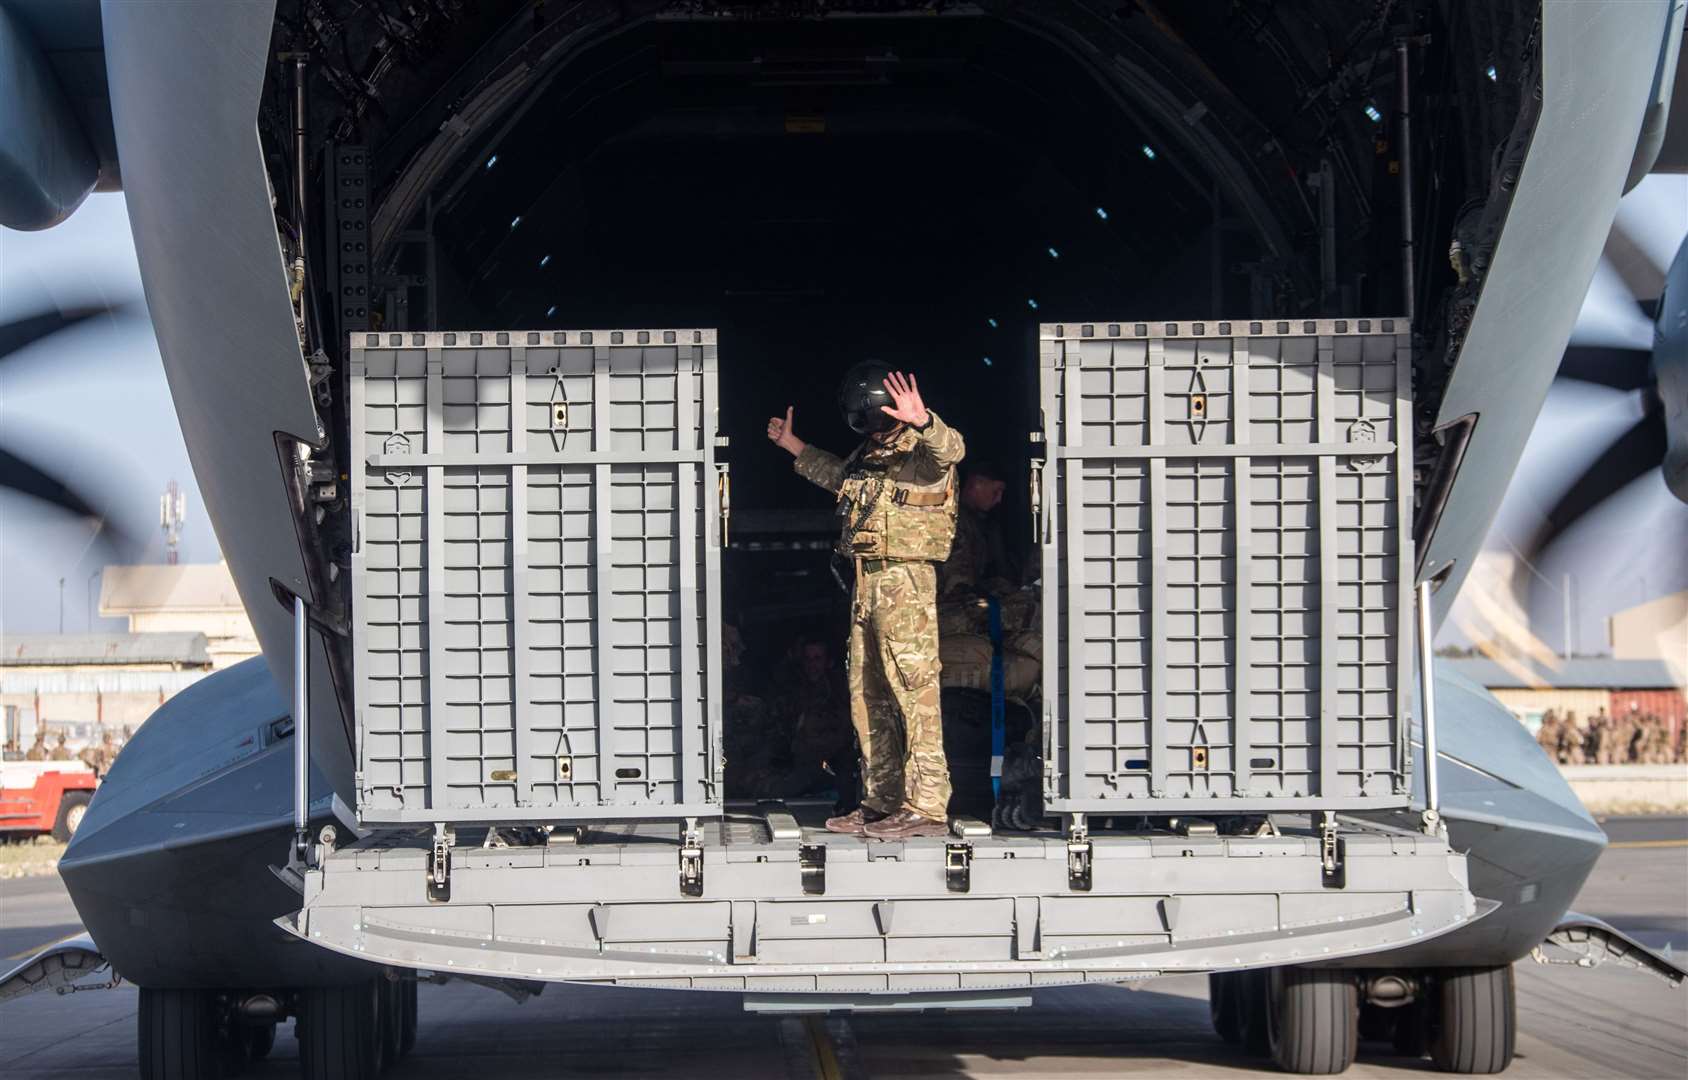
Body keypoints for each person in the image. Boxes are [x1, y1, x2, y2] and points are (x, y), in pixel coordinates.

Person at [768, 363, 964, 839]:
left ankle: (927, 805)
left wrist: (925, 421)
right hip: (867, 582)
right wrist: (794, 447)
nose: (874, 424)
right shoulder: (870, 454)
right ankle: (882, 801)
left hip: (905, 581)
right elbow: (842, 479)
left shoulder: (922, 450)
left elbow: (952, 449)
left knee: (914, 693)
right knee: (867, 694)